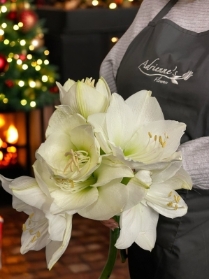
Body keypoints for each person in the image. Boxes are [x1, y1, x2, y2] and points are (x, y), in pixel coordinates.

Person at [99, 0, 209, 278]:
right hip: (140, 208)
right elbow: (110, 79)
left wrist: (152, 166)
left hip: (200, 222)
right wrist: (107, 178)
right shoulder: (156, 5)